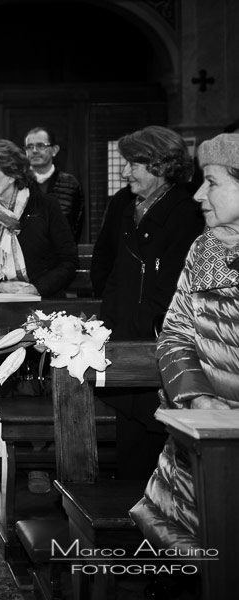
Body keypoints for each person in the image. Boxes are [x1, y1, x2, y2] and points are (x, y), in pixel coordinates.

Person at [129, 133, 239, 552]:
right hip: (194, 448)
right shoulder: (206, 247)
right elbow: (175, 333)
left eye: (211, 182)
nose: (198, 195)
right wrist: (197, 401)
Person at [89, 125, 203, 479]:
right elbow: (107, 268)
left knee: (155, 442)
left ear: (161, 165)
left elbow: (172, 286)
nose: (125, 173)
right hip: (124, 335)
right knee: (131, 437)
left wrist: (141, 337)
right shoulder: (125, 205)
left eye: (134, 164)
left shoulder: (185, 212)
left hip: (155, 342)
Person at [0, 139, 78, 297]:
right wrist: (0, 286)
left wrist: (36, 288)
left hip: (44, 300)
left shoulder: (46, 206)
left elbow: (68, 261)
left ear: (11, 176)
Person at [24, 127, 84, 240]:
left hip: (60, 253)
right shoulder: (18, 182)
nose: (34, 151)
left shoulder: (70, 184)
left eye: (41, 145)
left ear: (55, 150)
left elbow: (76, 225)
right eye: (29, 147)